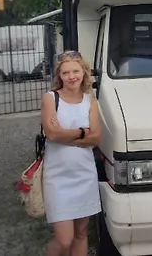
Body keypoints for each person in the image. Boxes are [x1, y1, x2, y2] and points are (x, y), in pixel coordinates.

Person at [40, 50, 102, 256]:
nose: (71, 76)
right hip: (58, 177)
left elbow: (96, 138)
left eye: (75, 71)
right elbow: (52, 135)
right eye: (65, 73)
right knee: (64, 240)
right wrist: (83, 132)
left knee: (81, 234)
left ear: (84, 73)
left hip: (84, 174)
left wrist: (65, 135)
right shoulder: (51, 99)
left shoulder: (91, 102)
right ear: (60, 76)